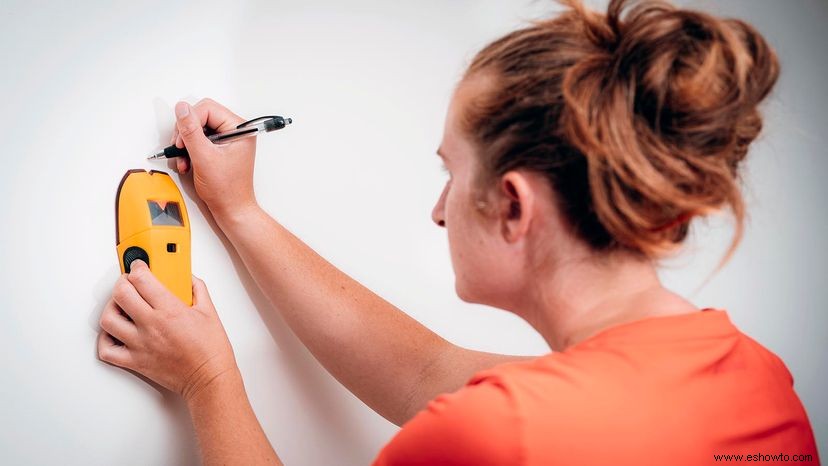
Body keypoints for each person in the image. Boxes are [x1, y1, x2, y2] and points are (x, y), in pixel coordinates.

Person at [96, 0, 820, 464]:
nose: (440, 209)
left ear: (512, 204)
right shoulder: (758, 380)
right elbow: (425, 370)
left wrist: (207, 379)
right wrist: (242, 213)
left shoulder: (505, 437)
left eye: (451, 173)